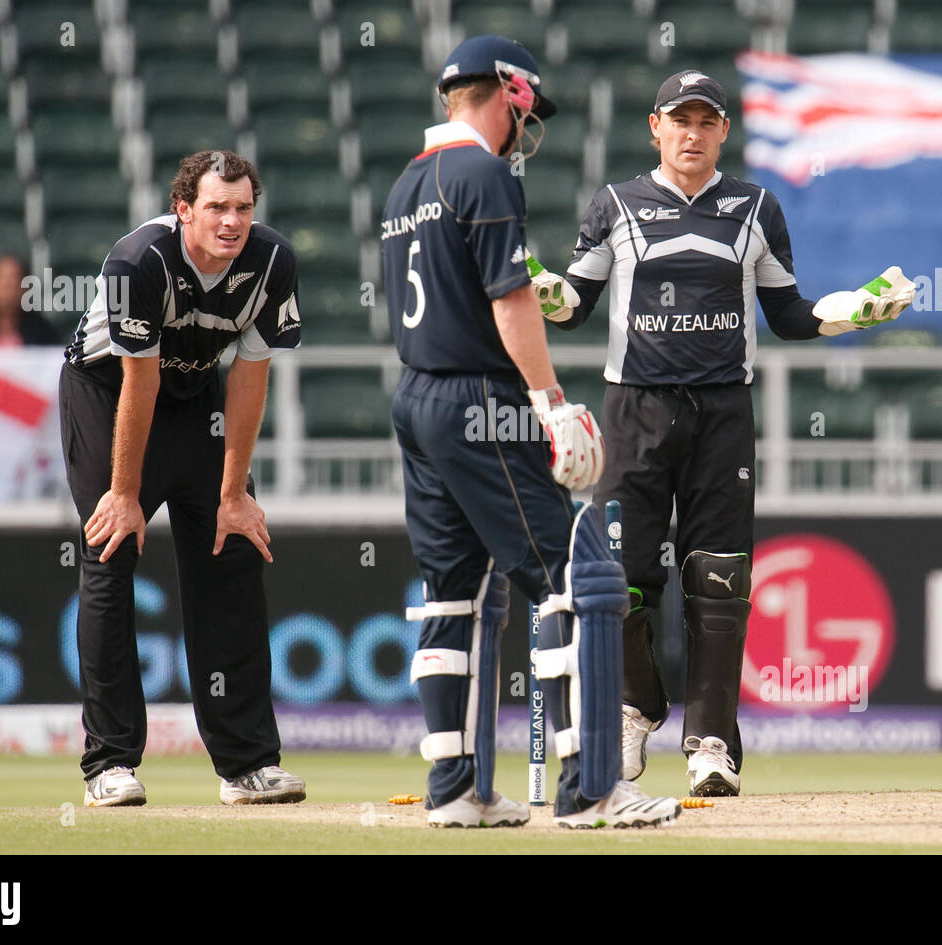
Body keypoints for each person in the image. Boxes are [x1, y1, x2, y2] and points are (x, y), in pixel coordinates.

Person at [543, 70, 914, 796]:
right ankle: (632, 708)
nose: (692, 133)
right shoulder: (616, 205)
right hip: (634, 410)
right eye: (678, 120)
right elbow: (572, 305)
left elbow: (790, 315)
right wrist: (528, 279)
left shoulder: (756, 208)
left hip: (722, 415)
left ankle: (710, 741)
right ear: (655, 127)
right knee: (618, 580)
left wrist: (855, 311)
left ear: (723, 131)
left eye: (705, 121)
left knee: (719, 579)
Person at [382, 35, 681, 828]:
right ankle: (592, 791)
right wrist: (548, 400)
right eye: (528, 109)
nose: (529, 127)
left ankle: (457, 789)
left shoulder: (407, 183)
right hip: (479, 394)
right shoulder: (483, 172)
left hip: (415, 395)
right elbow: (509, 300)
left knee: (454, 595)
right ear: (508, 92)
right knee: (581, 578)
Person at [59, 150, 306, 807]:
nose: (232, 222)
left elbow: (250, 377)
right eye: (217, 207)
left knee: (233, 549)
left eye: (244, 208)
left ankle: (247, 763)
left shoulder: (274, 262)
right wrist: (126, 492)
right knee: (111, 548)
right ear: (184, 210)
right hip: (108, 393)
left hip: (196, 397)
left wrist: (234, 496)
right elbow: (137, 379)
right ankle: (109, 763)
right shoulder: (139, 262)